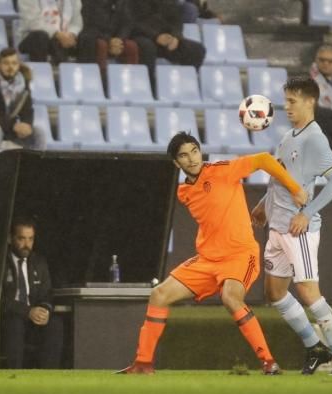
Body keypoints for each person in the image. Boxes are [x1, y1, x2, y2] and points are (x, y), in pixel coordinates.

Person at [117, 132, 308, 375]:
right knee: (159, 294)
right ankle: (143, 364)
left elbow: (263, 159)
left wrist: (294, 188)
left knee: (230, 296)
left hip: (240, 255)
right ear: (177, 163)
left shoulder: (222, 170)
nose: (192, 159)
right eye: (184, 156)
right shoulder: (183, 192)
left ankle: (269, 362)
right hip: (208, 259)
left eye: (194, 151)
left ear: (200, 151)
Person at [250, 77, 332, 376]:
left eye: (292, 101)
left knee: (308, 292)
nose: (286, 106)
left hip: (300, 231)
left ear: (311, 101)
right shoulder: (289, 136)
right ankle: (314, 348)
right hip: (277, 227)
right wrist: (262, 204)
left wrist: (307, 213)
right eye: (286, 100)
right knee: (275, 292)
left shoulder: (315, 138)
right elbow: (280, 177)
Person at [0, 216, 63, 369]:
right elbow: (0, 299)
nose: (26, 245)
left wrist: (45, 310)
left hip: (33, 319)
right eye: (21, 239)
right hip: (10, 317)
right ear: (10, 239)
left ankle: (49, 376)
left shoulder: (39, 262)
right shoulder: (1, 262)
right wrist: (27, 311)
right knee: (15, 323)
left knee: (55, 324)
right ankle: (14, 375)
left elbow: (47, 293)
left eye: (30, 239)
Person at [0, 48, 47, 152]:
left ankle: (34, 166)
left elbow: (28, 110)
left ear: (19, 65)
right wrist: (13, 126)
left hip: (8, 128)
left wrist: (26, 125)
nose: (10, 67)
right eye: (6, 63)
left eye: (14, 63)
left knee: (39, 132)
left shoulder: (23, 85)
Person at [130, 0, 206, 75]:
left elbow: (176, 20)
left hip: (166, 38)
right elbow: (133, 22)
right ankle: (150, 83)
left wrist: (175, 37)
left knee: (197, 50)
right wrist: (155, 36)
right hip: (142, 35)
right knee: (147, 46)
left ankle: (186, 83)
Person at [77, 0, 139, 77]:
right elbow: (88, 24)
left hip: (115, 38)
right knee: (101, 45)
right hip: (93, 36)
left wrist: (119, 39)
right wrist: (108, 40)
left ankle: (131, 82)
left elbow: (127, 23)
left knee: (131, 46)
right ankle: (100, 82)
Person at [17, 0, 85, 64]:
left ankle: (87, 74)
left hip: (64, 36)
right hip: (32, 37)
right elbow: (32, 22)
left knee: (86, 38)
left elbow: (77, 22)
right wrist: (57, 34)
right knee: (40, 37)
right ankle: (41, 74)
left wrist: (71, 34)